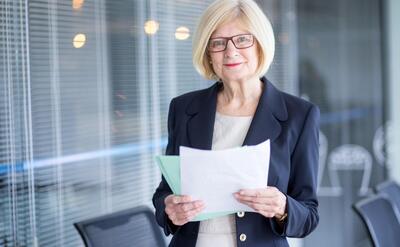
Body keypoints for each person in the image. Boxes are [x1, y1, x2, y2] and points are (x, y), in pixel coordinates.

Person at [152, 0, 320, 246]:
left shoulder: (299, 115)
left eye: (242, 40)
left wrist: (282, 207)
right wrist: (169, 209)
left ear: (260, 45)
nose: (230, 52)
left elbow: (309, 215)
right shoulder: (183, 109)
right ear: (207, 52)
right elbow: (165, 192)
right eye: (218, 43)